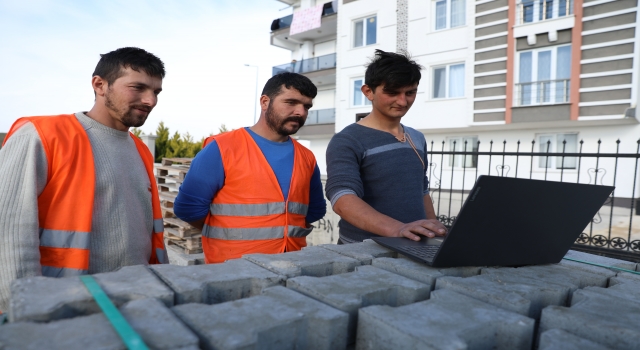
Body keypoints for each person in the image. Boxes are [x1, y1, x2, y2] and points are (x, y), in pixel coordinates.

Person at [0, 47, 168, 313]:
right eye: (138, 88)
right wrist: (23, 313)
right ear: (100, 85)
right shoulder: (43, 136)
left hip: (135, 300)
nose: (150, 100)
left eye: (156, 91)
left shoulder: (141, 151)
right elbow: (8, 235)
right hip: (64, 306)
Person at [174, 72, 326, 264]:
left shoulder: (306, 157)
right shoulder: (222, 148)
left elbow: (315, 210)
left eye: (306, 106)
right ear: (264, 102)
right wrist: (229, 234)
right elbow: (188, 209)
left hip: (290, 266)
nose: (300, 112)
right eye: (291, 102)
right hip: (231, 269)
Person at [325, 49, 447, 244]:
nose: (402, 101)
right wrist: (397, 229)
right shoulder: (347, 139)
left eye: (410, 92)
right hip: (363, 252)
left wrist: (433, 228)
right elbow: (342, 198)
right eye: (392, 92)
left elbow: (421, 190)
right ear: (368, 92)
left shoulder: (416, 137)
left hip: (415, 247)